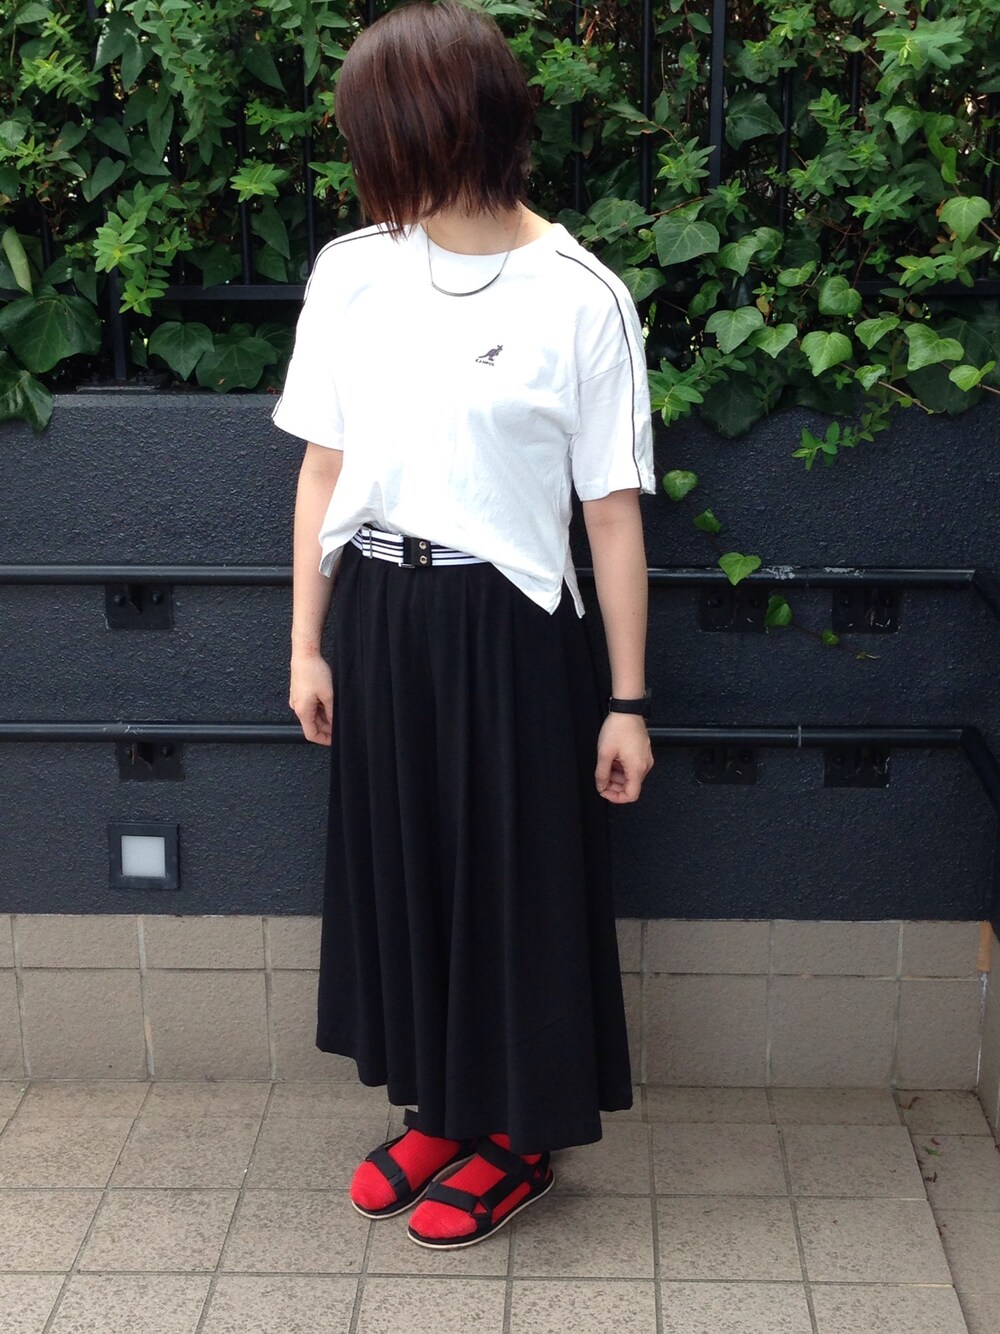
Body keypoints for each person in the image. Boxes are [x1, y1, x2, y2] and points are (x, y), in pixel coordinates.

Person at [272, 0, 655, 1250]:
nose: (361, 158)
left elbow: (609, 515)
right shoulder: (354, 270)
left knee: (511, 885)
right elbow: (323, 468)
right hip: (381, 611)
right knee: (408, 870)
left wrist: (627, 701)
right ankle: (439, 1106)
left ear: (445, 126)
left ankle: (516, 1138)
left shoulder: (580, 295)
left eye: (374, 132)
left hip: (511, 629)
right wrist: (307, 642)